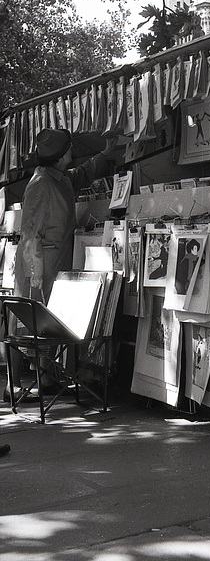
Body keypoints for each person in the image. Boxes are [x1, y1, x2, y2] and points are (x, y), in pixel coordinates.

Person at [3, 128, 116, 403]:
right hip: (39, 265)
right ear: (64, 154)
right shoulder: (41, 184)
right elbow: (30, 233)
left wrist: (106, 155)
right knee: (26, 322)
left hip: (54, 262)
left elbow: (79, 176)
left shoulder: (58, 177)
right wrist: (34, 276)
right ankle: (13, 385)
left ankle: (47, 379)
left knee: (47, 324)